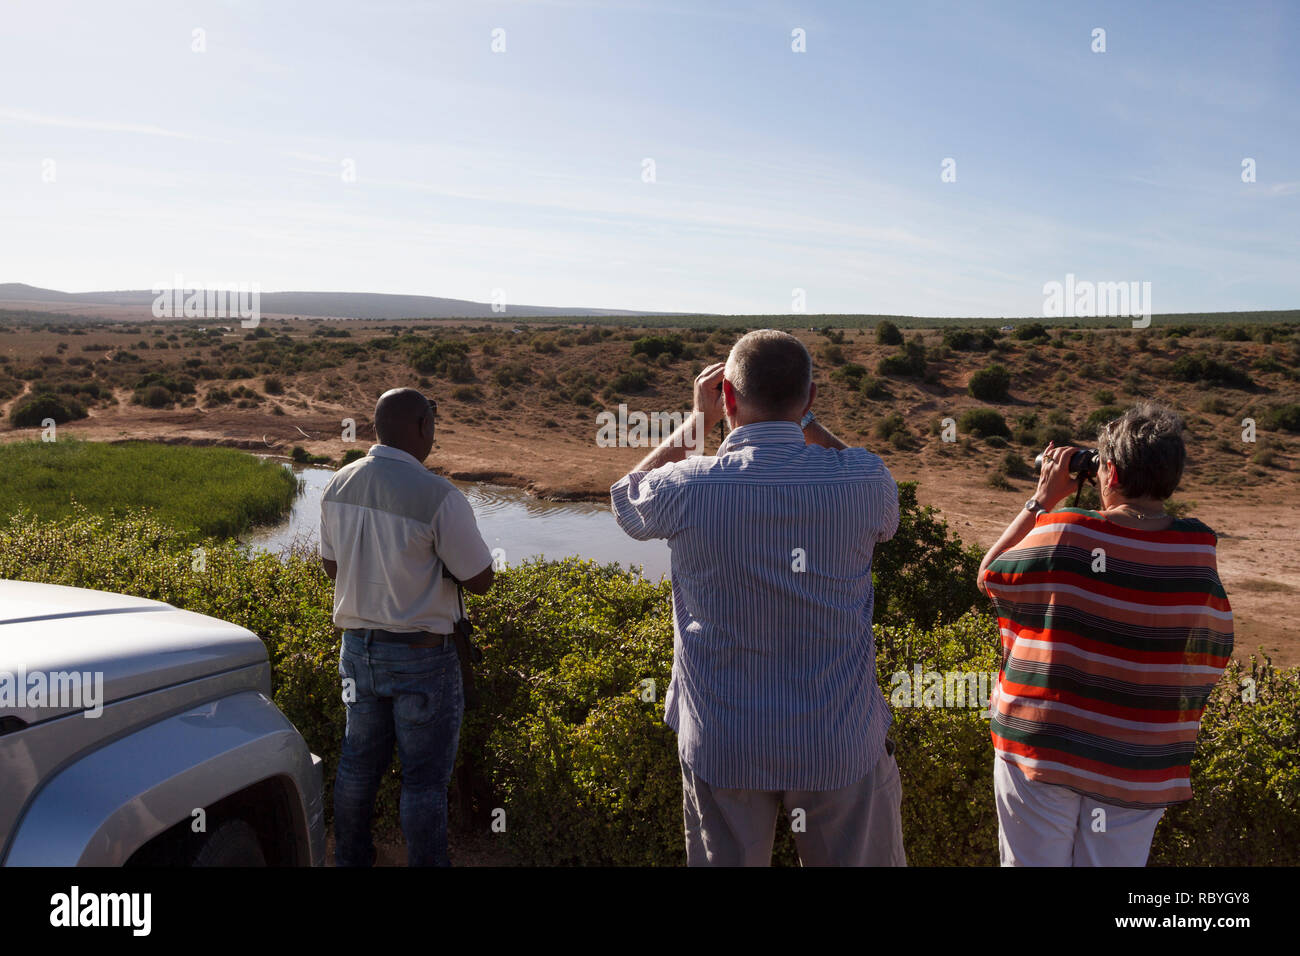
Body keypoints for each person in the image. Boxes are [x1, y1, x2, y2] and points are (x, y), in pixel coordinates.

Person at [611, 329, 905, 867]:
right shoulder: (861, 481)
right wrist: (806, 425)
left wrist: (695, 420)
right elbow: (885, 498)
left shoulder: (686, 488)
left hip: (726, 742)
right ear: (811, 399)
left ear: (727, 396)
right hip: (837, 739)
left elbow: (627, 499)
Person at [978, 401, 1233, 866]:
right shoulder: (1197, 550)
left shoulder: (1066, 531)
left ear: (1109, 473)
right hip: (1139, 759)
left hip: (1042, 743)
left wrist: (1043, 499)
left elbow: (992, 574)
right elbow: (1213, 647)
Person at [320, 387, 494, 867]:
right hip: (423, 658)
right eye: (433, 422)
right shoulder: (438, 495)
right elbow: (480, 580)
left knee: (357, 764)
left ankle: (352, 858)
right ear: (422, 427)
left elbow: (333, 568)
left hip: (356, 650)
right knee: (423, 781)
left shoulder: (338, 484)